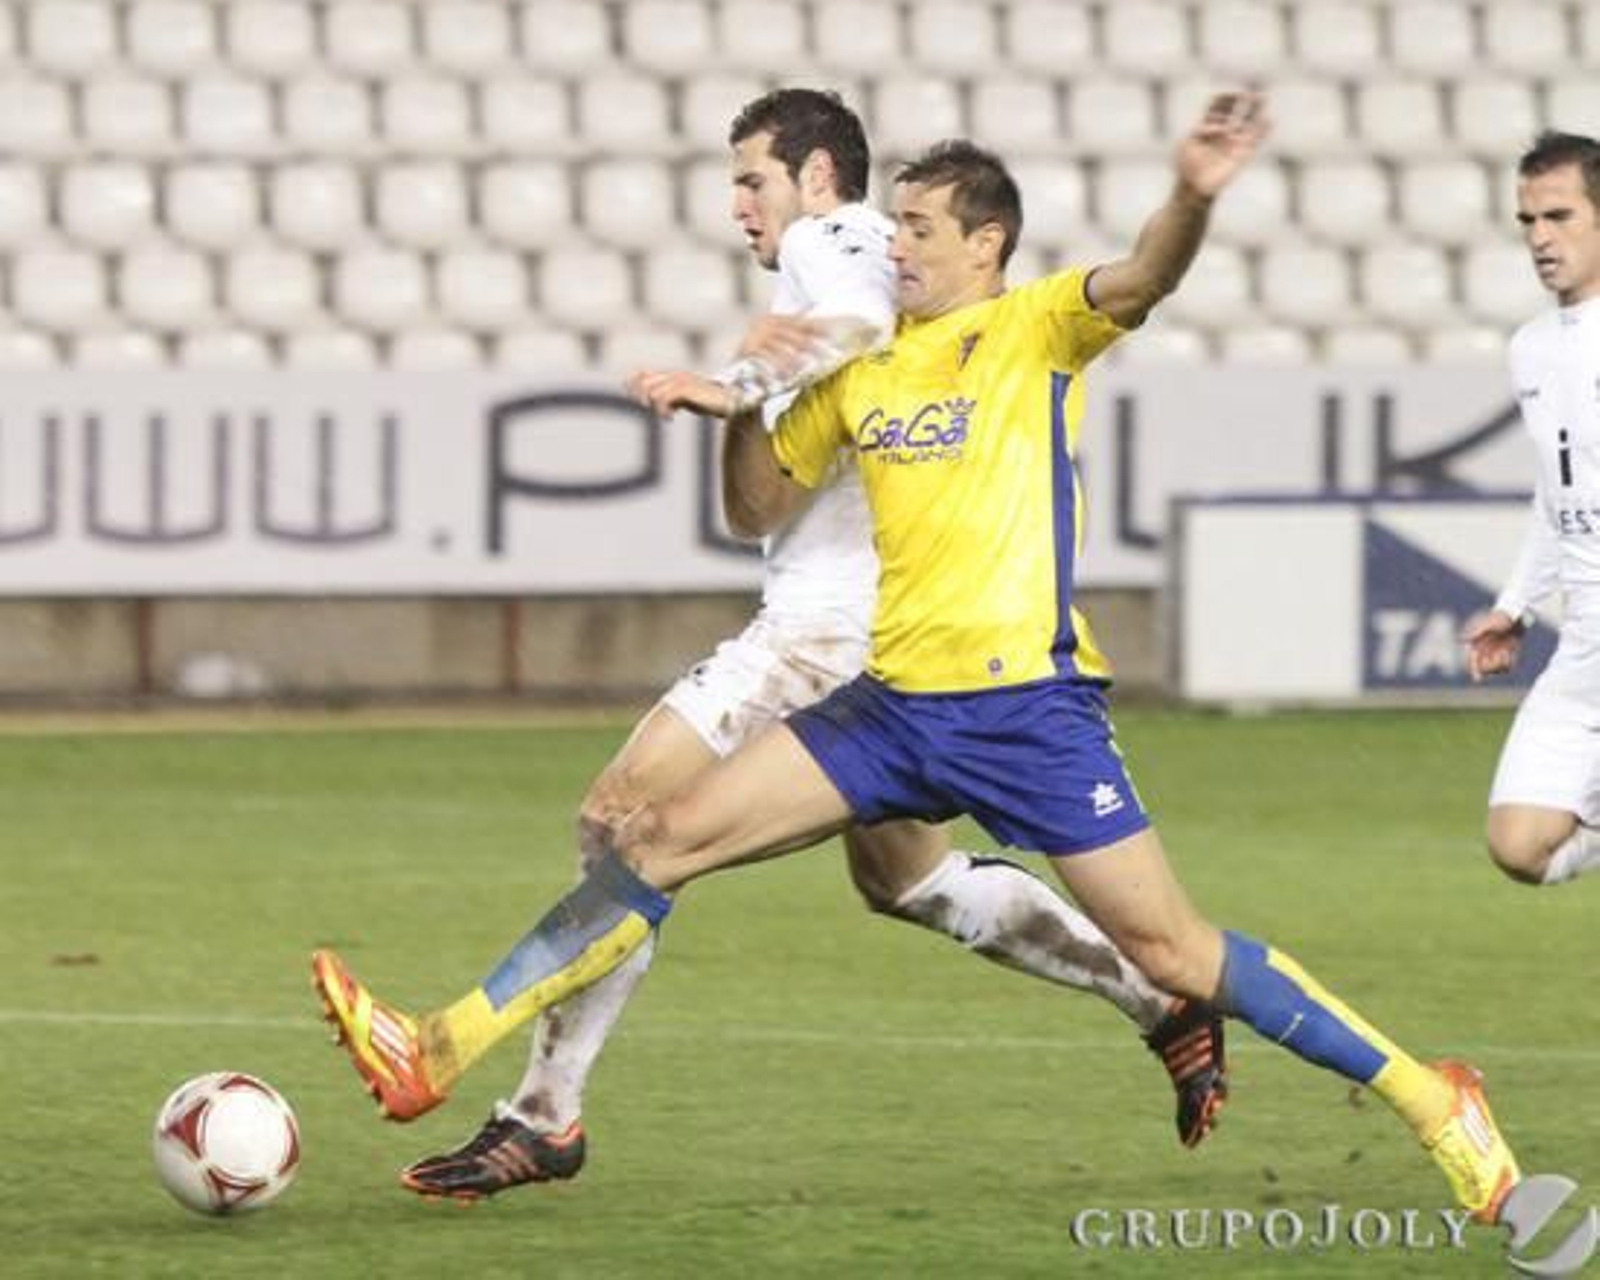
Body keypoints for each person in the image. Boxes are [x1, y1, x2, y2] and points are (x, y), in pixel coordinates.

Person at [313, 92, 1523, 1225]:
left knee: (1172, 947)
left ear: (986, 246)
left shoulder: (1036, 324)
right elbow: (759, 500)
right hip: (890, 708)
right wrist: (742, 397)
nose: (895, 246)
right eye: (891, 224)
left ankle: (1430, 1093)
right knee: (649, 837)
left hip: (1029, 709)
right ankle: (435, 1048)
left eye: (920, 228)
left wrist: (1194, 194)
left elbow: (1147, 272)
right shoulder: (867, 374)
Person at [391, 88, 1223, 1202]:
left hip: (828, 629)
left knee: (618, 821)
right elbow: (760, 506)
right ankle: (1157, 999)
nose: (737, 205)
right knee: (906, 879)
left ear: (817, 177)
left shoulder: (838, 241)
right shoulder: (854, 264)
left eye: (752, 179)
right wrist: (745, 402)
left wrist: (737, 376)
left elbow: (861, 325)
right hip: (876, 630)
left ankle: (542, 1112)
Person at [1463, 130, 1600, 890]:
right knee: (1520, 845)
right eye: (1528, 222)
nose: (1541, 239)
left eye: (1560, 216)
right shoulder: (1534, 348)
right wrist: (1514, 606)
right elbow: (1559, 490)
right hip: (1584, 644)